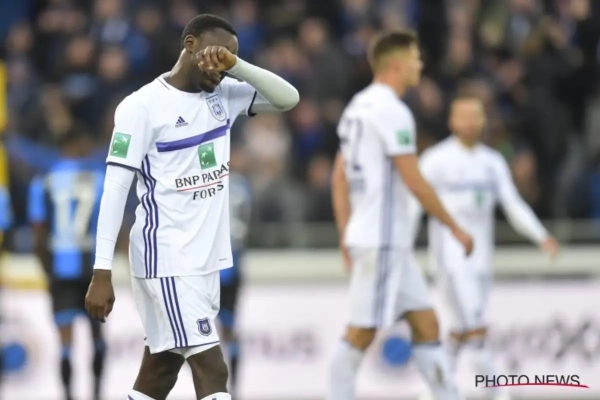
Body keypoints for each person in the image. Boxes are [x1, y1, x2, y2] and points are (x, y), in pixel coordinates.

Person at [84, 14, 299, 400]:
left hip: (204, 262)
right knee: (213, 368)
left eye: (229, 57)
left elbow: (288, 98)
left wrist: (238, 65)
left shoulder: (224, 95)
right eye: (217, 53)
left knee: (160, 370)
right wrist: (102, 271)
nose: (221, 64)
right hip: (167, 257)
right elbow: (115, 190)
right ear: (190, 45)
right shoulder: (142, 106)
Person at [329, 30, 473, 400]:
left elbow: (338, 178)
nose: (420, 65)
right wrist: (455, 227)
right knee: (360, 332)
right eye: (415, 58)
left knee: (426, 323)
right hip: (383, 239)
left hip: (380, 238)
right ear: (396, 65)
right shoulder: (392, 111)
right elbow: (414, 180)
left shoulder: (356, 107)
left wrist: (346, 233)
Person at [410, 95, 560, 400]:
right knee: (475, 327)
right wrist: (403, 246)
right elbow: (412, 205)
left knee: (459, 329)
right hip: (450, 260)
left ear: (483, 121)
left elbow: (513, 204)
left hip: (481, 261)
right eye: (463, 116)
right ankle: (497, 393)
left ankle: (433, 391)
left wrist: (540, 235)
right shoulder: (436, 161)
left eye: (475, 116)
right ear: (452, 121)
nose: (469, 122)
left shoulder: (492, 163)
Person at [28, 129, 106, 400]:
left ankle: (68, 395)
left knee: (64, 344)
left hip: (61, 270)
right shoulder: (99, 178)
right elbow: (112, 223)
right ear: (77, 143)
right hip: (93, 270)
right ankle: (97, 394)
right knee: (98, 338)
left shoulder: (44, 181)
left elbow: (38, 233)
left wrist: (48, 270)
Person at [218, 146, 252, 396]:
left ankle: (225, 388)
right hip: (231, 263)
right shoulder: (242, 186)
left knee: (206, 330)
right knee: (228, 329)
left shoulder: (228, 185)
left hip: (217, 266)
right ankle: (233, 389)